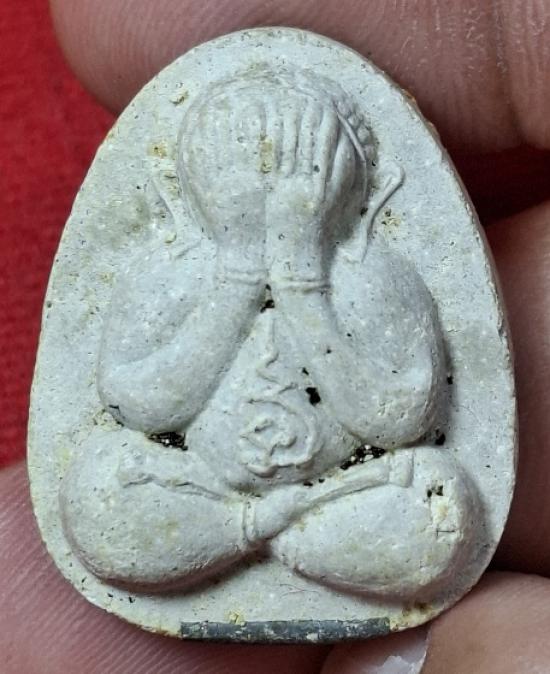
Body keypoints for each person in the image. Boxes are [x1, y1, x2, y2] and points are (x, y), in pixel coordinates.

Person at [3, 1, 550, 671]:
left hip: (342, 496)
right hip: (200, 487)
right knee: (97, 491)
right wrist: (236, 280)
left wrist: (301, 284)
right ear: (190, 184)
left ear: (350, 185)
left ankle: (292, 541)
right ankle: (244, 532)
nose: (266, 193)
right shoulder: (171, 273)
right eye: (236, 167)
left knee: (440, 503)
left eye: (298, 170)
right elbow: (138, 406)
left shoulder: (370, 274)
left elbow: (402, 418)